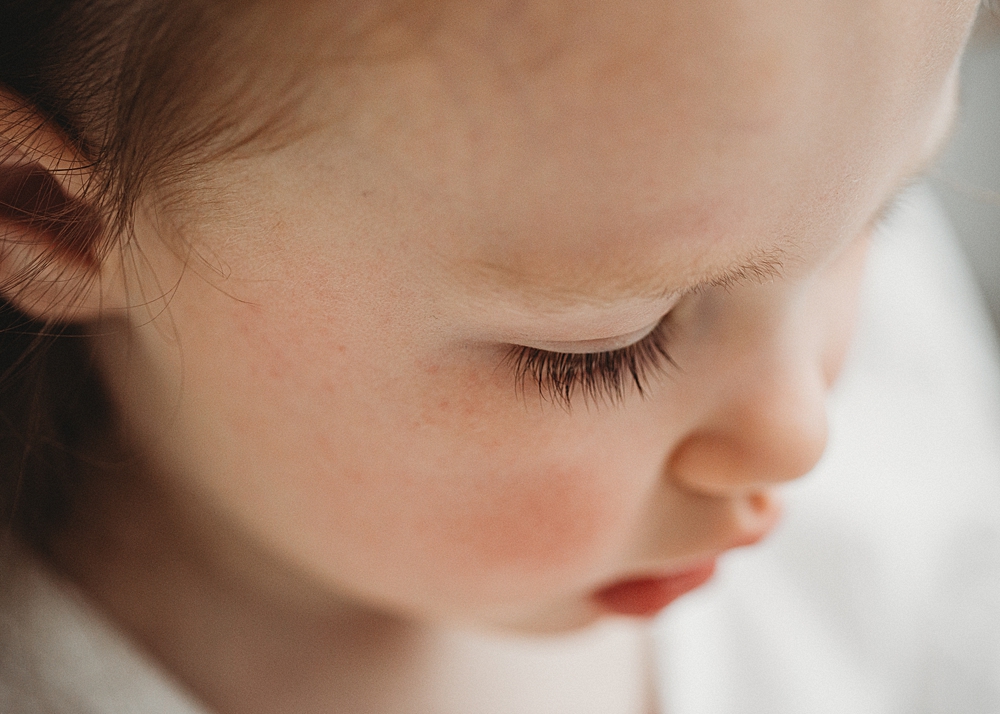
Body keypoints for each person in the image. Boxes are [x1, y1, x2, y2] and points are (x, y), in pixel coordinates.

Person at [1, 1, 998, 712]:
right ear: (48, 212)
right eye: (603, 351)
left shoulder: (846, 302)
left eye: (884, 209)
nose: (800, 435)